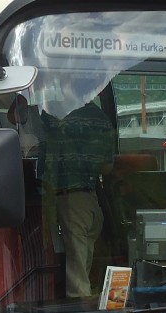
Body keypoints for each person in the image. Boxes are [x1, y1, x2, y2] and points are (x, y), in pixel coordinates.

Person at [44, 92, 116, 300]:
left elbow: (23, 125)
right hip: (91, 201)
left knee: (77, 275)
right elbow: (108, 167)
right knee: (83, 261)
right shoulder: (102, 118)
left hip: (68, 198)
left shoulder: (58, 114)